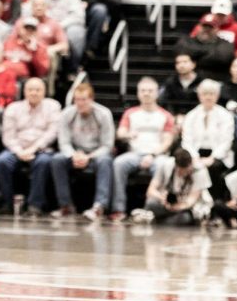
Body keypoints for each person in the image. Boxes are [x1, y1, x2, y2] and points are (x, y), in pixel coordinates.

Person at [0, 77, 61, 215]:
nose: (34, 93)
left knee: (44, 162)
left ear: (44, 92)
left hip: (42, 149)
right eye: (30, 90)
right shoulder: (13, 108)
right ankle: (6, 204)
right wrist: (20, 151)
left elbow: (52, 133)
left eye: (38, 90)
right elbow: (8, 136)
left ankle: (35, 205)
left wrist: (33, 149)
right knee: (1, 162)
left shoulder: (53, 106)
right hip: (16, 149)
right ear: (24, 91)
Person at [112, 77, 177, 220]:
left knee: (165, 165)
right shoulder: (130, 113)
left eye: (150, 91)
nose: (146, 94)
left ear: (156, 93)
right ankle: (119, 209)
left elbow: (167, 141)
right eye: (143, 91)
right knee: (118, 163)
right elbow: (120, 133)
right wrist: (128, 134)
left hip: (157, 155)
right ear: (138, 93)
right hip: (134, 154)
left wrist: (152, 155)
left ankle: (154, 207)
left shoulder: (165, 115)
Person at [50, 83, 115, 221]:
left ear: (91, 99)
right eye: (77, 99)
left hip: (95, 155)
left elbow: (107, 145)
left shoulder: (103, 114)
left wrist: (89, 157)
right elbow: (64, 142)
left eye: (83, 99)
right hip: (75, 153)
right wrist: (74, 155)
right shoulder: (67, 113)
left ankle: (99, 207)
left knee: (106, 160)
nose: (80, 103)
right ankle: (66, 205)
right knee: (57, 159)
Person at [130, 149, 212, 226]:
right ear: (176, 165)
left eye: (186, 170)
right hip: (166, 204)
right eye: (180, 171)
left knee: (185, 218)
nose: (182, 174)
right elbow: (150, 191)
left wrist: (175, 207)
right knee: (150, 203)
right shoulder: (166, 165)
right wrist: (162, 198)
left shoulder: (200, 171)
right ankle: (159, 220)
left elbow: (190, 202)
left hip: (185, 208)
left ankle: (155, 221)